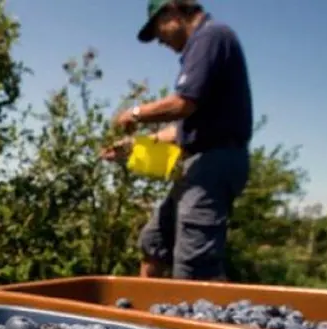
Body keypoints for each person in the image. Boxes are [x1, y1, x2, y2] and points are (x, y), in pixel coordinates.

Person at [103, 0, 252, 281]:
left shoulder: (211, 36)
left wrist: (135, 113)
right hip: (201, 161)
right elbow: (184, 127)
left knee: (195, 264)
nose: (160, 40)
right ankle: (147, 315)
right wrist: (135, 146)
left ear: (172, 12)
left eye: (157, 30)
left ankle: (198, 319)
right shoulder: (204, 44)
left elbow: (184, 104)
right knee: (154, 240)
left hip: (214, 162)